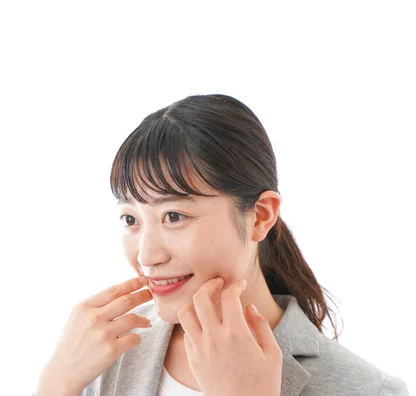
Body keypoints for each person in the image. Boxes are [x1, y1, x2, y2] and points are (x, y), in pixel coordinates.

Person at [34, 94, 409, 395]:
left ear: (260, 215)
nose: (147, 256)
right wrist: (56, 384)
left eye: (174, 216)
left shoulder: (370, 390)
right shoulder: (109, 352)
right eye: (131, 219)